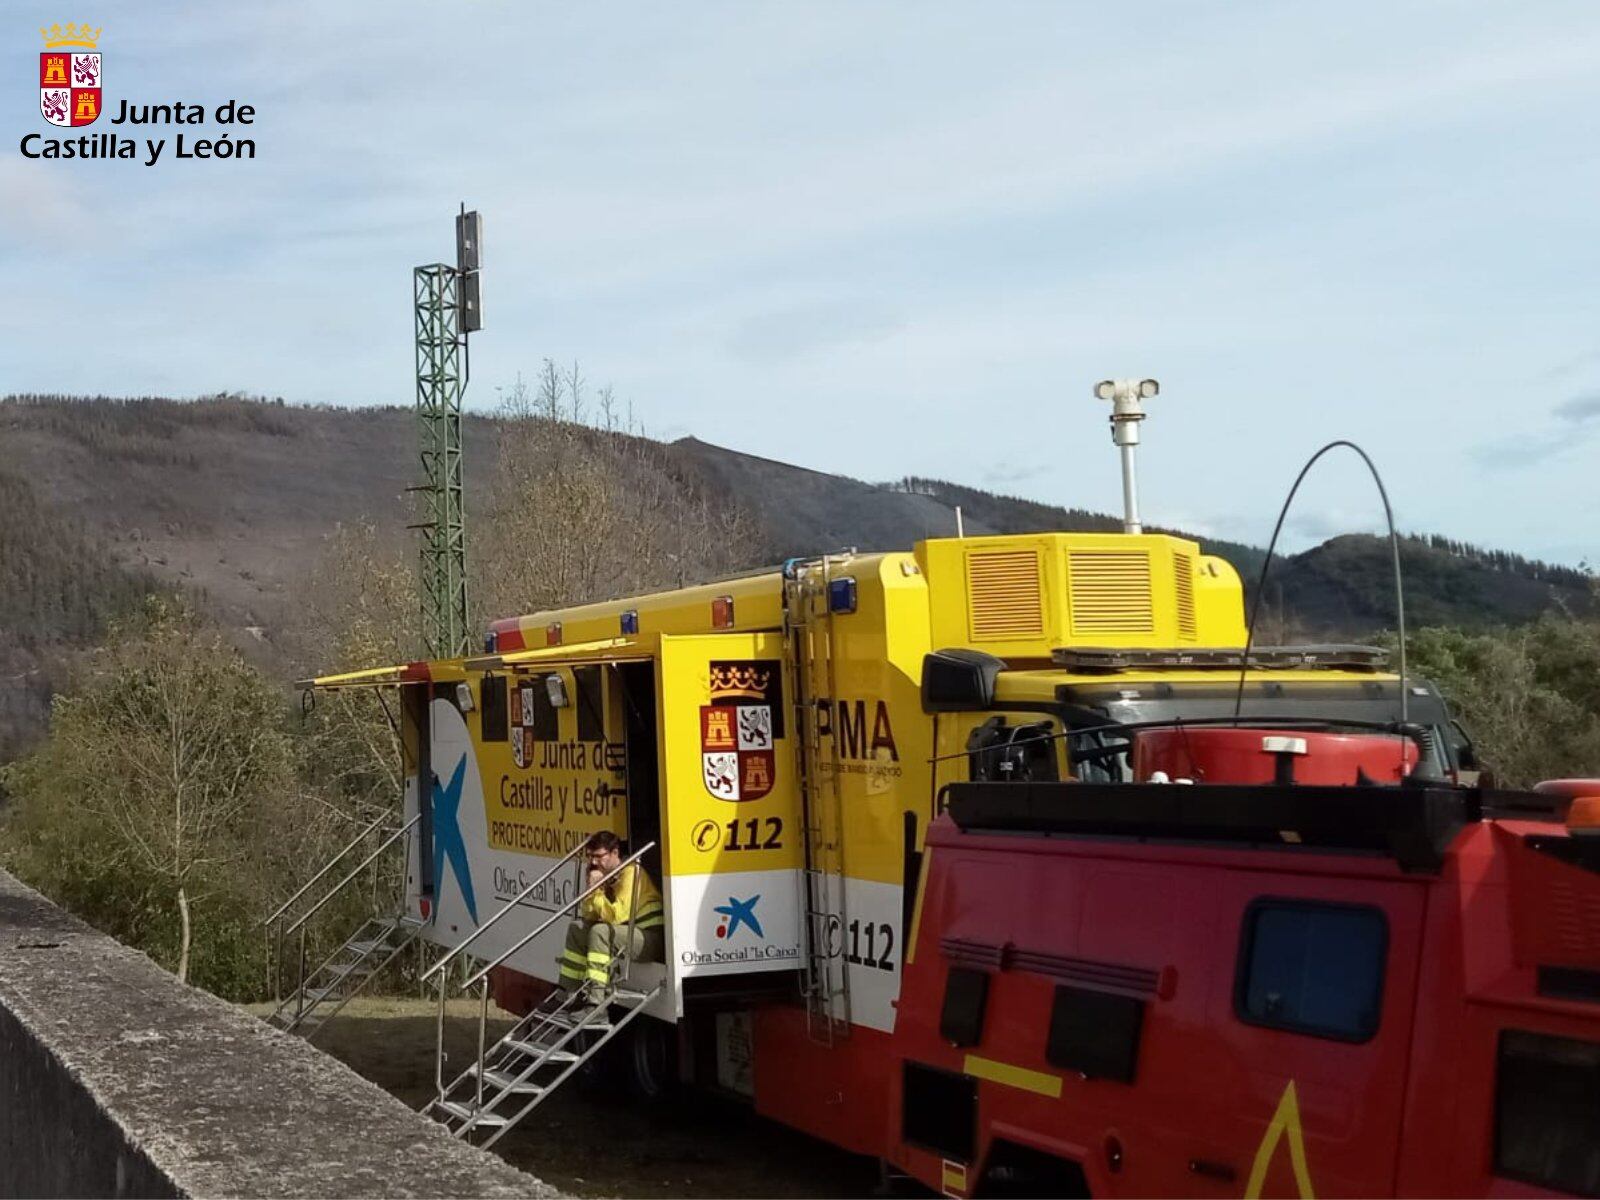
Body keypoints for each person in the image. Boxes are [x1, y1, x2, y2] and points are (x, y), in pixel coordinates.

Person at [557, 831, 664, 1007]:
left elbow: (616, 916)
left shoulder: (631, 872)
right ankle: (566, 994)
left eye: (599, 856)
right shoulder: (608, 875)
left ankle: (595, 1002)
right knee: (577, 928)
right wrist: (592, 890)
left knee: (600, 932)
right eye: (590, 857)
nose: (593, 862)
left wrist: (598, 890)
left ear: (615, 853)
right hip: (629, 933)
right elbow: (589, 915)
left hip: (650, 937)